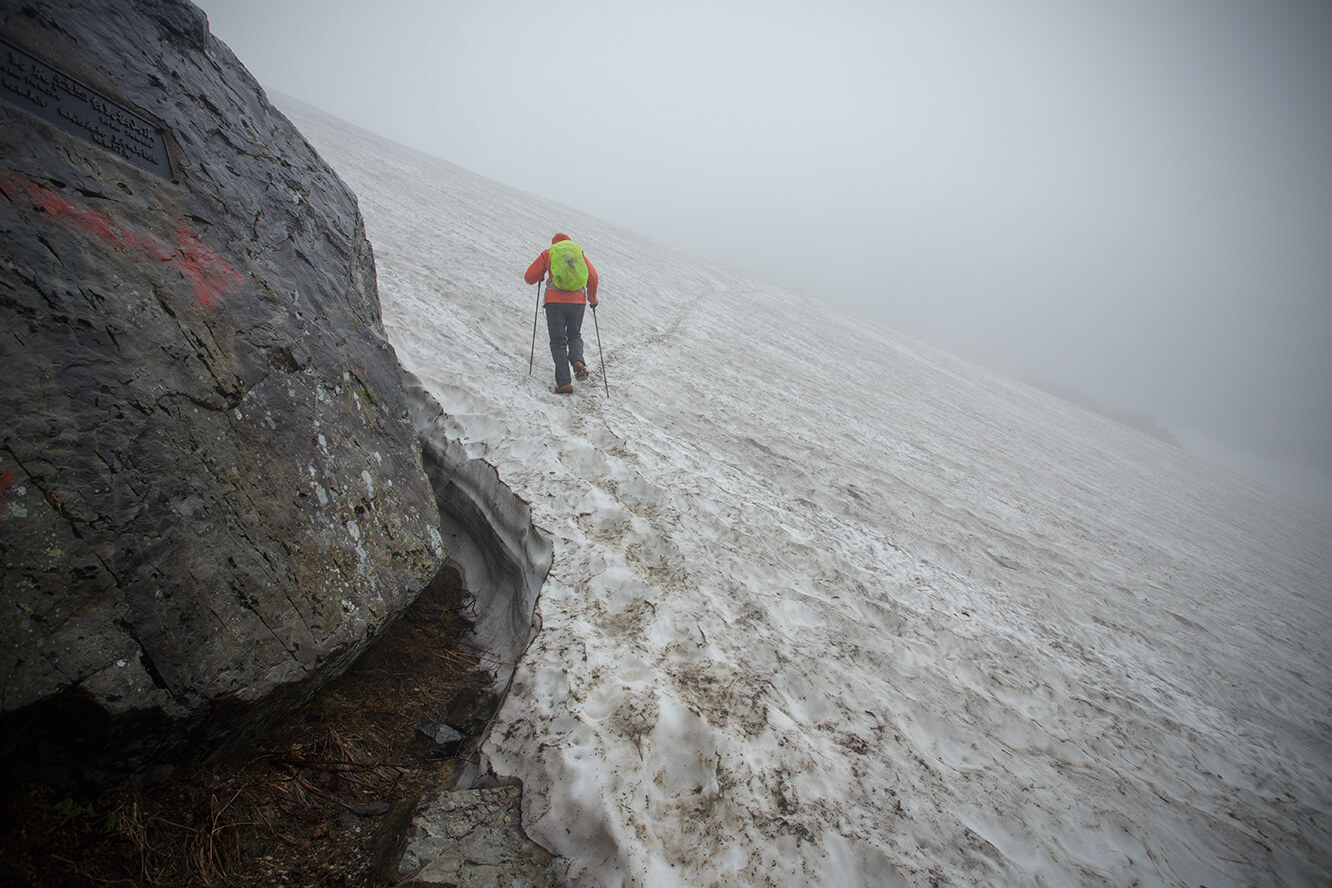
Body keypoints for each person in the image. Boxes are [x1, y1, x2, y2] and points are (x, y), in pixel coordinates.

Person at [525, 233, 599, 394]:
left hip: (555, 301)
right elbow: (592, 276)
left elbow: (529, 277)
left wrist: (542, 274)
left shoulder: (549, 253)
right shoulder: (579, 253)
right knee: (574, 335)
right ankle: (578, 361)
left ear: (554, 244)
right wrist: (592, 298)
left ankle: (564, 383)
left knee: (558, 341)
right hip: (578, 302)